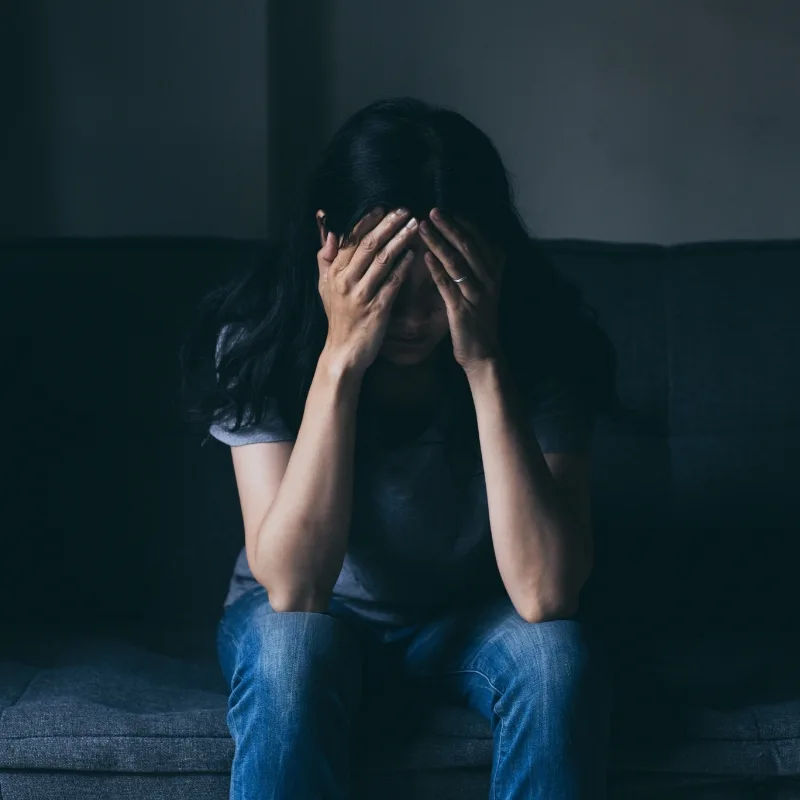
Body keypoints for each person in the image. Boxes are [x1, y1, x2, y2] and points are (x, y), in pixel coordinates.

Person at [181, 96, 619, 799]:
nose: (415, 319)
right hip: (318, 620)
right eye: (387, 282)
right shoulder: (261, 336)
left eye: (441, 287)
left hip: (476, 619)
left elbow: (545, 593)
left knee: (555, 659)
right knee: (289, 652)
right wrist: (339, 362)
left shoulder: (542, 342)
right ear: (329, 242)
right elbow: (293, 588)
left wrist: (484, 361)